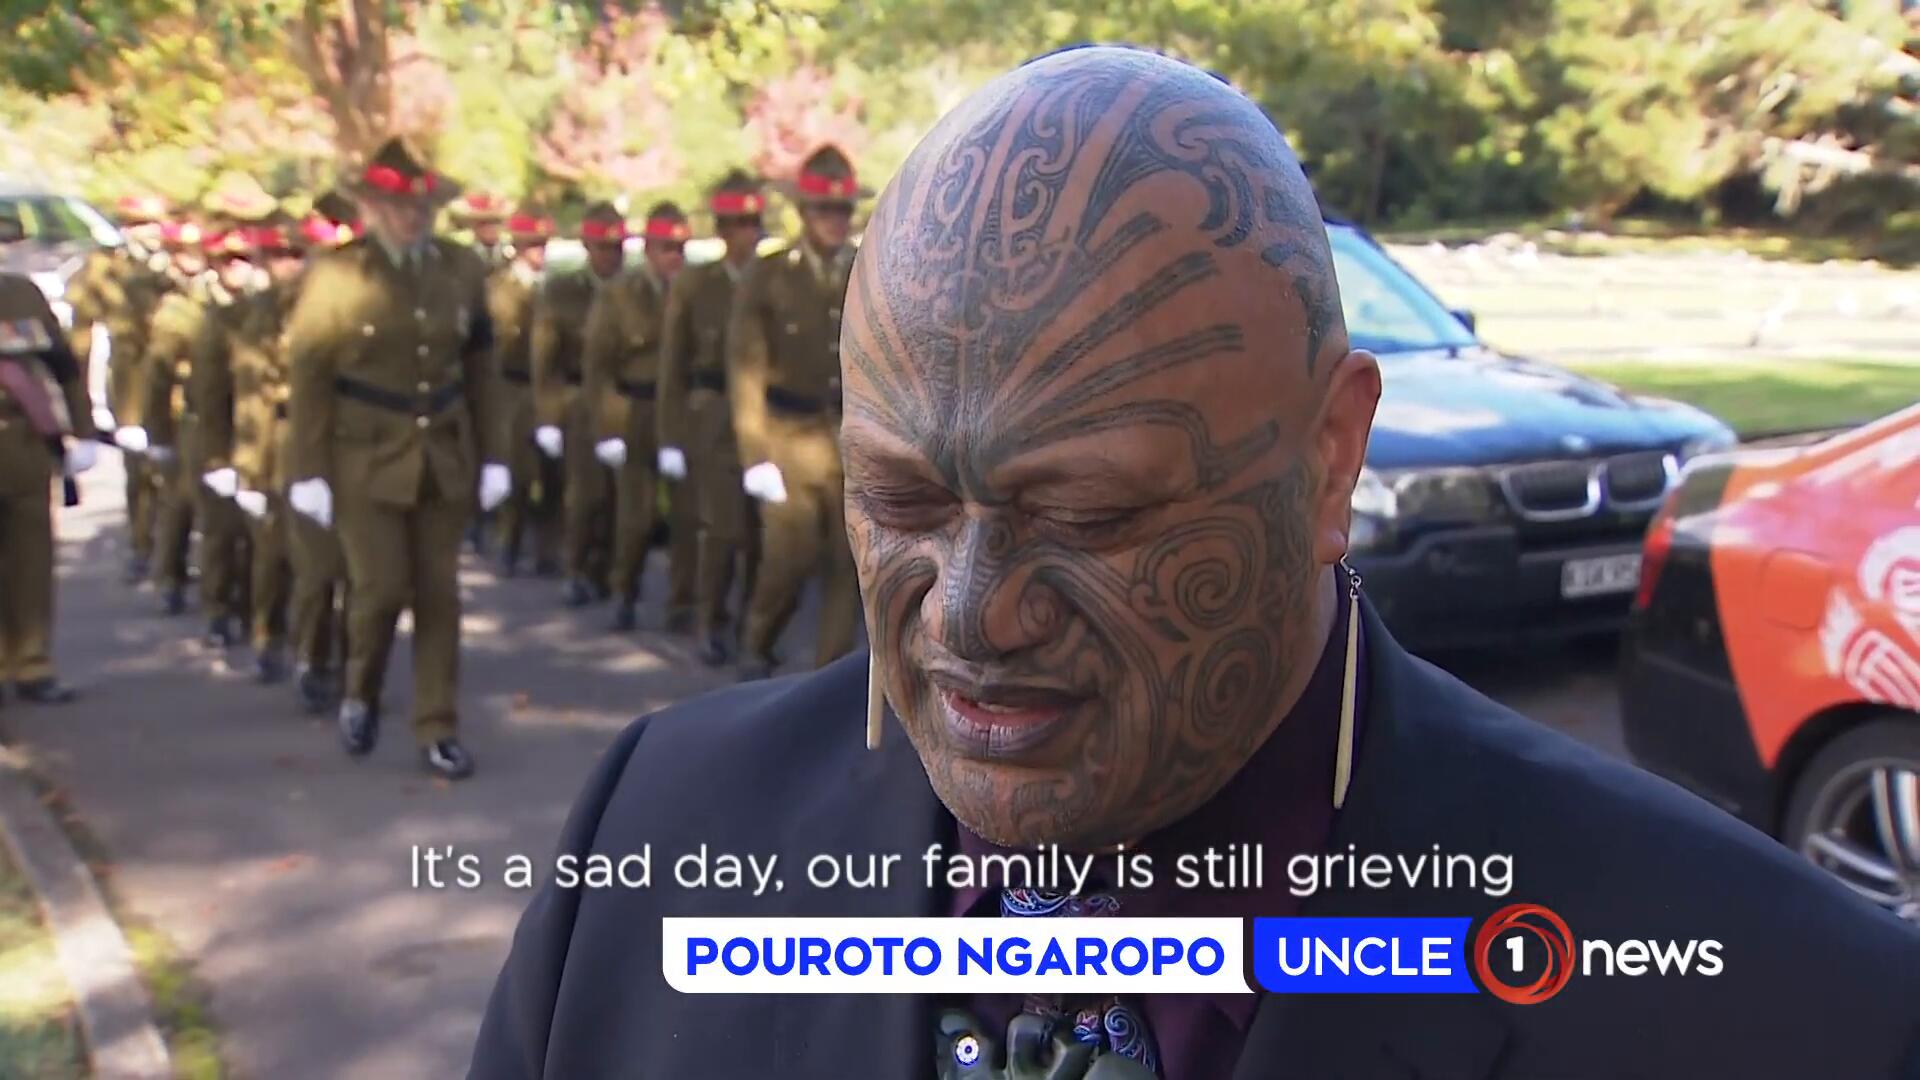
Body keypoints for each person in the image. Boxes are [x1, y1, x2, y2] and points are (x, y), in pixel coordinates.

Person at [470, 47, 1920, 1080]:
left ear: (1332, 455)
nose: (974, 613)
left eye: (1090, 516)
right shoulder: (648, 848)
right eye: (901, 500)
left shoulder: (1779, 1012)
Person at [284, 138, 510, 780]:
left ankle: (438, 725)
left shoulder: (460, 269)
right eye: (397, 206)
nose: (411, 217)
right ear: (373, 208)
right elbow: (309, 377)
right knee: (380, 589)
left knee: (440, 594)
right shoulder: (337, 275)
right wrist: (307, 471)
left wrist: (496, 455)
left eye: (419, 207)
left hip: (442, 452)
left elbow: (481, 368)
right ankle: (361, 690)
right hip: (364, 456)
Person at [725, 144, 865, 679]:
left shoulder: (865, 268)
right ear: (804, 213)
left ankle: (828, 676)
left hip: (848, 436)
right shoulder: (769, 274)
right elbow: (746, 368)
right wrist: (754, 453)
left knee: (848, 564)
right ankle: (757, 641)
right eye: (824, 210)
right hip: (787, 437)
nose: (835, 220)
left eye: (843, 210)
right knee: (789, 557)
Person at [657, 170, 766, 665]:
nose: (748, 232)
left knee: (761, 533)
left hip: (765, 417)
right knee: (721, 529)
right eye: (738, 223)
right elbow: (672, 365)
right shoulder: (696, 284)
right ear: (721, 229)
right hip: (713, 414)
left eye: (753, 222)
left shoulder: (771, 279)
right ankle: (711, 620)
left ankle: (751, 623)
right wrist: (670, 436)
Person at [175, 175, 277, 652]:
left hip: (260, 433)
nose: (237, 268)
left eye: (244, 259)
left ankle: (259, 619)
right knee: (219, 531)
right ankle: (217, 607)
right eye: (227, 260)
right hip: (216, 427)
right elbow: (207, 392)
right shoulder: (202, 308)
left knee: (262, 538)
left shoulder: (265, 307)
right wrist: (215, 456)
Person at [205, 216, 307, 684]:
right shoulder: (242, 317)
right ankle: (269, 636)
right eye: (279, 256)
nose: (290, 265)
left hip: (325, 441)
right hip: (272, 444)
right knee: (271, 552)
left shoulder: (326, 312)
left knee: (324, 559)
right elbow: (230, 395)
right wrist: (238, 465)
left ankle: (317, 648)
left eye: (297, 255)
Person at [0, 220, 98, 705]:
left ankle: (32, 662)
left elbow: (63, 367)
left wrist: (83, 431)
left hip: (23, 446)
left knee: (31, 559)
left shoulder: (22, 295)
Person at [581, 200, 689, 633]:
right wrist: (608, 428)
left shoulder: (693, 292)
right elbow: (598, 368)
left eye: (680, 249)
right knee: (636, 517)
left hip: (680, 410)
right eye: (666, 248)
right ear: (648, 249)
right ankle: (623, 591)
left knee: (687, 514)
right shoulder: (619, 295)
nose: (674, 257)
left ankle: (682, 604)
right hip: (635, 411)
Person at [283, 193, 360, 714]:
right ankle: (311, 658)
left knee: (362, 574)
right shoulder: (277, 308)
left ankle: (355, 667)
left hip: (361, 448)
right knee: (316, 570)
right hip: (306, 446)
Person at [66, 194, 168, 585]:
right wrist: (77, 400)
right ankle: (143, 547)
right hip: (132, 381)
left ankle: (179, 555)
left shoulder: (182, 261)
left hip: (182, 379)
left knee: (183, 473)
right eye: (137, 224)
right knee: (140, 469)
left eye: (152, 223)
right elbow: (81, 331)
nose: (146, 232)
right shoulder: (104, 266)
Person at [532, 202, 624, 608]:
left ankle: (606, 570)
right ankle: (575, 568)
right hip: (578, 400)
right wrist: (548, 417)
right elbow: (545, 360)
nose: (610, 255)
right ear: (587, 246)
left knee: (619, 497)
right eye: (602, 247)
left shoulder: (633, 290)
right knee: (585, 494)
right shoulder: (562, 290)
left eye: (616, 247)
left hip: (623, 400)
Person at [140, 215, 218, 618]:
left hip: (223, 411)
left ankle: (221, 592)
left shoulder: (219, 299)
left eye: (196, 252)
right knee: (181, 501)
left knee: (218, 508)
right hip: (185, 414)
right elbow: (158, 375)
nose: (191, 260)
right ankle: (170, 577)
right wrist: (156, 434)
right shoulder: (176, 309)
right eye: (183, 253)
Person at [487, 205, 560, 577]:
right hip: (512, 386)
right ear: (517, 246)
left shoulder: (556, 287)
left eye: (543, 244)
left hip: (549, 386)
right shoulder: (500, 287)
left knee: (554, 474)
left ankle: (549, 550)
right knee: (516, 472)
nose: (539, 251)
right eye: (532, 244)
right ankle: (509, 543)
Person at [452, 192, 513, 270]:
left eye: (495, 222)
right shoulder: (462, 250)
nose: (490, 227)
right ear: (473, 226)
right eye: (483, 223)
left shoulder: (510, 248)